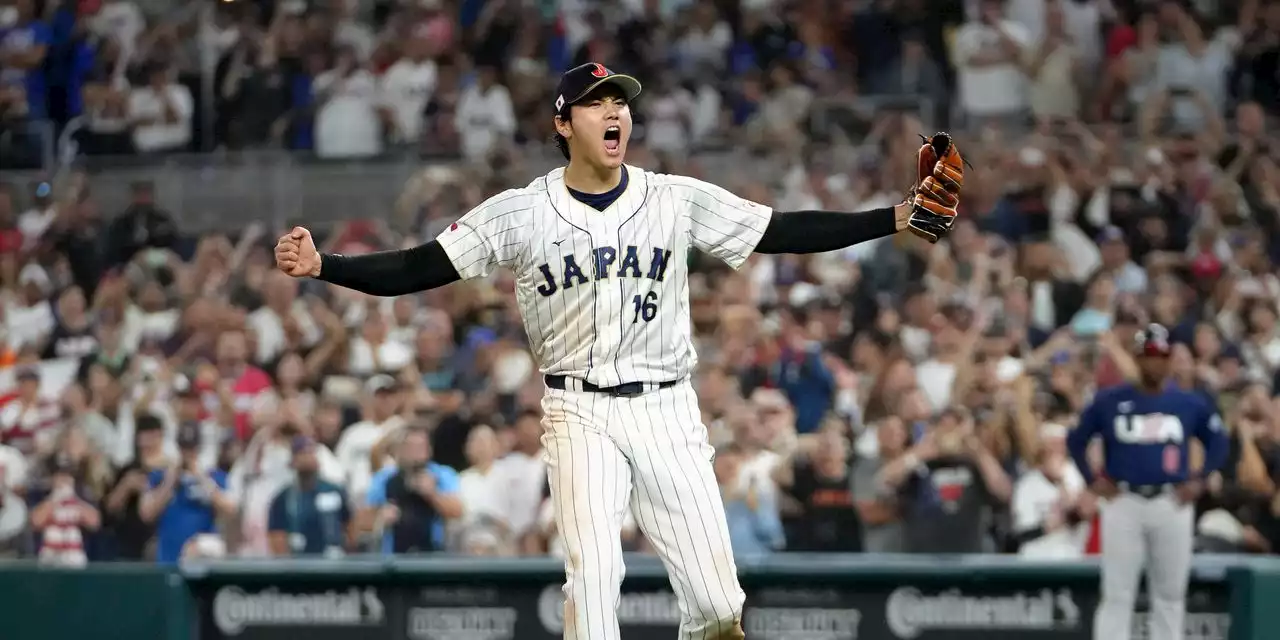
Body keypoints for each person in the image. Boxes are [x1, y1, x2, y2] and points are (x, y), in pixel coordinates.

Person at [275, 62, 965, 639]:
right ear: (562, 123)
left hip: (667, 408)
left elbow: (780, 229)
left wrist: (897, 216)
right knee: (595, 582)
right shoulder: (521, 212)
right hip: (577, 412)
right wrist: (326, 267)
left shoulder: (672, 199)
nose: (614, 114)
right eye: (595, 103)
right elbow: (418, 267)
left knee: (720, 606)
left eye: (620, 104)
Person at [1067, 323, 1230, 640]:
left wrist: (1199, 480)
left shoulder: (1188, 402)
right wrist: (1092, 480)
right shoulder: (1109, 400)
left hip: (1171, 502)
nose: (1155, 363)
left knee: (1169, 595)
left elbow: (1219, 442)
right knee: (1117, 593)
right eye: (1149, 356)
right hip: (1123, 501)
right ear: (1137, 359)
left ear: (1170, 360)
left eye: (1162, 356)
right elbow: (1076, 440)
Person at [138, 422, 236, 564]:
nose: (188, 453)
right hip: (169, 558)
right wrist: (169, 483)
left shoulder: (214, 476)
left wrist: (201, 478)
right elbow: (146, 513)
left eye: (192, 448)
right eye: (184, 448)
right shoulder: (159, 476)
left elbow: (230, 509)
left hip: (203, 558)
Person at [365, 424, 462, 553]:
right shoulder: (384, 478)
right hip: (394, 556)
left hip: (435, 553)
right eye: (411, 447)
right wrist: (381, 518)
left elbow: (457, 512)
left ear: (429, 449)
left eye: (421, 447)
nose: (416, 453)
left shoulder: (442, 474)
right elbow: (362, 522)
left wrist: (433, 495)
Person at [267, 436, 352, 557]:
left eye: (311, 452)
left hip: (333, 564)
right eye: (302, 453)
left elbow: (350, 528)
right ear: (293, 460)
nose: (307, 458)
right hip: (299, 566)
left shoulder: (334, 491)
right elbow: (277, 538)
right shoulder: (283, 498)